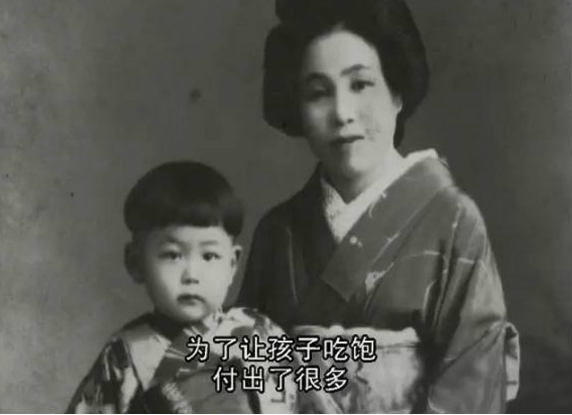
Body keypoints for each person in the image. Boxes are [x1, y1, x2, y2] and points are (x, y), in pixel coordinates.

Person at [238, 0, 520, 412]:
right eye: (318, 93)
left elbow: (472, 381)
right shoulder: (277, 232)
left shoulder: (454, 222)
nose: (342, 113)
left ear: (397, 92)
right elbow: (241, 376)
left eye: (361, 84)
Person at [67, 161, 298, 413]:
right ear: (135, 262)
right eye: (172, 255)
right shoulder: (124, 353)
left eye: (209, 256)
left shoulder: (259, 334)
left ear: (232, 264)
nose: (191, 275)